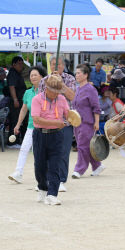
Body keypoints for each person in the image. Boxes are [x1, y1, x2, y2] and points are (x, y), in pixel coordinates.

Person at [40, 56, 77, 191]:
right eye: (53, 64)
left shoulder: (70, 79)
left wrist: (60, 84)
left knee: (63, 151)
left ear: (63, 65)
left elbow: (72, 96)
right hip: (48, 121)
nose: (56, 67)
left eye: (59, 64)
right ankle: (48, 179)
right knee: (47, 151)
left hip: (65, 121)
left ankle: (61, 179)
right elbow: (41, 99)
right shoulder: (44, 80)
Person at [31, 74, 69, 205]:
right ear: (47, 89)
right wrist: (56, 123)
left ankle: (52, 194)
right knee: (40, 165)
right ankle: (42, 187)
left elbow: (68, 114)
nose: (57, 94)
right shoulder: (37, 99)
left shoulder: (62, 99)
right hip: (40, 135)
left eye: (59, 92)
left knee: (55, 165)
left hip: (57, 135)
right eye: (55, 92)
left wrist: (73, 118)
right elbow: (36, 119)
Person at [9, 65, 46, 184]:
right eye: (31, 75)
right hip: (31, 126)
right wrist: (17, 125)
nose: (33, 77)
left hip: (44, 127)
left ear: (42, 76)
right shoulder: (28, 92)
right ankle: (18, 173)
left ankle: (43, 177)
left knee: (40, 153)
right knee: (24, 149)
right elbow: (24, 110)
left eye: (35, 75)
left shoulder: (47, 92)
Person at [72, 64, 105, 178]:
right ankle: (97, 166)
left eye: (79, 73)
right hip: (76, 123)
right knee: (86, 146)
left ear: (85, 75)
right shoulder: (77, 89)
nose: (76, 75)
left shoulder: (91, 89)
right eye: (76, 73)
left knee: (81, 146)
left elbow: (96, 107)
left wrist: (96, 122)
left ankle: (79, 170)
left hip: (87, 122)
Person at [6, 56, 27, 147]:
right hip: (16, 100)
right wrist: (15, 99)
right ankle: (12, 142)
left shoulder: (18, 73)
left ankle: (17, 140)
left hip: (21, 100)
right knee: (14, 121)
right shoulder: (12, 73)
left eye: (22, 64)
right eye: (19, 64)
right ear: (14, 64)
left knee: (21, 121)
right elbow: (12, 87)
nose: (21, 66)